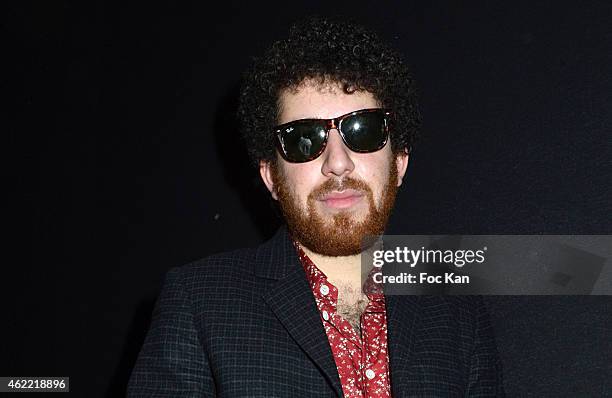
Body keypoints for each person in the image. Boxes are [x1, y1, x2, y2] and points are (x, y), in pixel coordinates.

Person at [127, 16, 505, 397]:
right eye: (304, 139)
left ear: (400, 163)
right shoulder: (199, 303)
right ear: (271, 178)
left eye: (363, 130)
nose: (337, 162)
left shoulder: (457, 308)